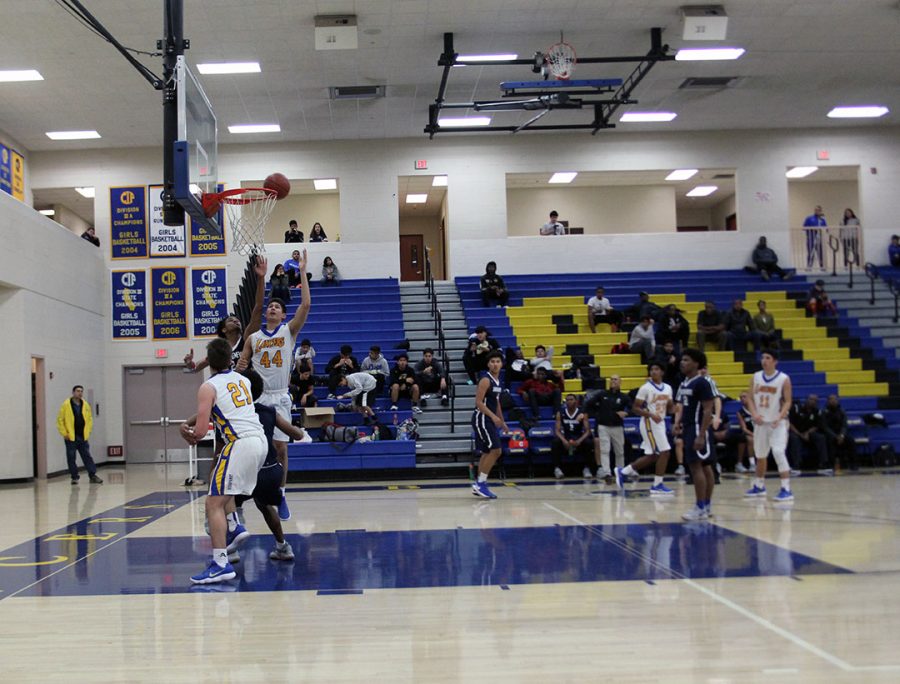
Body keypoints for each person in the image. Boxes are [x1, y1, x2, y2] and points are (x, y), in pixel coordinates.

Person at [180, 369, 306, 564]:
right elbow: (297, 436)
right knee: (265, 506)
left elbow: (219, 452)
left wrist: (213, 477)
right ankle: (282, 545)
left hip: (243, 466)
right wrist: (299, 429)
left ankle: (230, 549)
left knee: (223, 504)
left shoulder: (232, 417)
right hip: (268, 471)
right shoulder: (269, 411)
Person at [238, 249, 310, 522]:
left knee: (281, 449)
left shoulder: (288, 331)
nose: (272, 307)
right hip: (258, 398)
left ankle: (281, 493)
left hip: (280, 397)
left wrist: (302, 271)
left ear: (282, 316)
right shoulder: (253, 337)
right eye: (270, 305)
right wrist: (240, 368)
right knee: (255, 449)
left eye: (277, 307)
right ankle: (245, 492)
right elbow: (241, 366)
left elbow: (305, 306)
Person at [189, 338, 267, 584]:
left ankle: (220, 563)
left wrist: (185, 432)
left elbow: (200, 432)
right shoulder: (242, 380)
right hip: (258, 440)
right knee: (221, 484)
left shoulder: (208, 386)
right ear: (230, 359)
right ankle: (234, 526)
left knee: (213, 503)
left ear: (208, 361)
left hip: (239, 443)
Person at [184, 257, 268, 374]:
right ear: (224, 329)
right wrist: (190, 364)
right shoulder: (220, 349)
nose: (236, 321)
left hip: (246, 386)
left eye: (237, 320)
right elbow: (195, 368)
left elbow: (258, 307)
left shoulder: (246, 338)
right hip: (227, 388)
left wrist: (261, 278)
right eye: (231, 320)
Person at [615, 362, 675, 496]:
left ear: (662, 372)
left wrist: (676, 408)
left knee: (653, 455)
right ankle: (657, 484)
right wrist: (651, 414)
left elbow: (670, 407)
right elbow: (635, 408)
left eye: (657, 369)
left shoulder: (668, 388)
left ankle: (623, 472)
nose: (654, 371)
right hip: (649, 422)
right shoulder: (645, 388)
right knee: (665, 452)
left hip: (660, 423)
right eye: (652, 369)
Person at [744, 349, 794, 501]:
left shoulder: (783, 379)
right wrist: (754, 414)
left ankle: (786, 489)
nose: (764, 360)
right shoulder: (756, 377)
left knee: (778, 452)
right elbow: (750, 398)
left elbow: (788, 401)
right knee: (760, 455)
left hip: (777, 423)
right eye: (763, 358)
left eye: (768, 358)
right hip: (761, 422)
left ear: (775, 361)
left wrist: (780, 416)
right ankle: (759, 486)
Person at [674, 349, 716, 521]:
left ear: (696, 364)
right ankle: (705, 506)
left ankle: (700, 506)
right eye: (681, 359)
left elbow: (708, 410)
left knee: (697, 467)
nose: (682, 362)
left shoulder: (702, 383)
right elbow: (684, 406)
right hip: (690, 426)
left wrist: (702, 435)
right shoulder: (685, 383)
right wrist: (678, 422)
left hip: (698, 428)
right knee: (704, 466)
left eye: (686, 360)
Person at [471, 351, 509, 498]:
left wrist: (502, 421)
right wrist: (493, 417)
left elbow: (496, 402)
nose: (495, 364)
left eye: (498, 361)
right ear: (488, 364)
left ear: (501, 364)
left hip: (489, 419)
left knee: (487, 452)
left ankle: (478, 484)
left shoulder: (498, 381)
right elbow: (479, 403)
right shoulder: (485, 380)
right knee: (496, 451)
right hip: (482, 418)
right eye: (492, 361)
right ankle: (481, 484)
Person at [583, 375, 629, 481]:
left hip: (617, 427)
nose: (613, 381)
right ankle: (607, 473)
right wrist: (584, 413)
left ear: (620, 382)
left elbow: (632, 408)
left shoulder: (623, 397)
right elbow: (588, 403)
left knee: (620, 451)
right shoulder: (602, 394)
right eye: (611, 379)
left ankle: (620, 472)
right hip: (603, 426)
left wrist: (626, 412)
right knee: (604, 450)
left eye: (615, 379)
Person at [56, 385, 102, 484]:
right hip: (71, 437)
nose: (80, 393)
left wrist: (88, 431)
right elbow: (60, 420)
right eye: (77, 391)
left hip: (82, 436)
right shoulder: (66, 405)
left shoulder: (85, 405)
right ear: (73, 392)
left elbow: (89, 419)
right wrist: (64, 433)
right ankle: (74, 477)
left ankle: (92, 475)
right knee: (71, 457)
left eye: (81, 391)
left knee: (87, 456)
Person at [552, 394, 594, 479]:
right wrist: (564, 441)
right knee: (555, 442)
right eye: (567, 400)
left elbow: (587, 431)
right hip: (566, 438)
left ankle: (587, 468)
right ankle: (557, 469)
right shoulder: (560, 413)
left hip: (578, 438)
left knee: (588, 442)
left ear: (576, 401)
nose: (569, 401)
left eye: (571, 399)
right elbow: (557, 430)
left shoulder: (582, 413)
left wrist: (579, 441)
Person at [789, 394, 830, 474]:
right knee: (794, 438)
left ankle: (823, 464)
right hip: (796, 431)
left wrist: (807, 433)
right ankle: (796, 465)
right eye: (811, 399)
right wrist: (799, 434)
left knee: (821, 437)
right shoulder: (796, 408)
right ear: (806, 400)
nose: (813, 402)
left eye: (815, 400)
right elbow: (789, 423)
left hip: (809, 433)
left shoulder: (818, 411)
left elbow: (817, 426)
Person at [821, 394, 856, 471]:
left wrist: (842, 435)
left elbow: (844, 425)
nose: (833, 401)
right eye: (831, 399)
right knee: (829, 442)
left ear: (837, 401)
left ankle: (853, 464)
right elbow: (825, 427)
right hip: (830, 435)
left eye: (834, 399)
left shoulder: (842, 411)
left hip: (840, 434)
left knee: (851, 440)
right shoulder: (824, 412)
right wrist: (835, 436)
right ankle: (831, 464)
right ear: (827, 401)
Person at [734, 391, 756, 473]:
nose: (742, 399)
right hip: (748, 433)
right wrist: (753, 434)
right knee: (750, 440)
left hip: (760, 432)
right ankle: (752, 464)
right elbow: (744, 428)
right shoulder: (740, 412)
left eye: (744, 397)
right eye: (741, 397)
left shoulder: (757, 409)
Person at [803, 205, 827, 270]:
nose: (817, 211)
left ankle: (822, 267)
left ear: (821, 211)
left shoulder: (823, 220)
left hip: (820, 239)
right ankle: (809, 266)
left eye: (818, 210)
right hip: (811, 238)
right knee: (811, 252)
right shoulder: (809, 218)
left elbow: (826, 229)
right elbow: (804, 228)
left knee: (820, 253)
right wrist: (813, 229)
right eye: (816, 210)